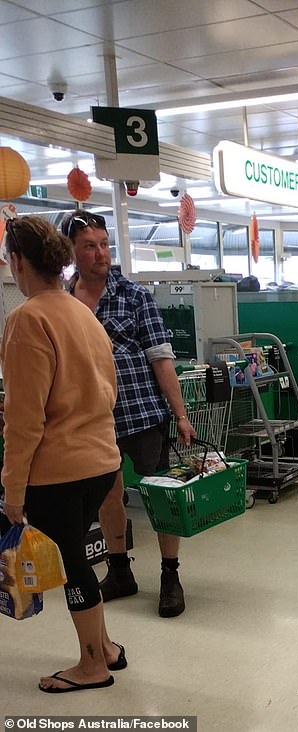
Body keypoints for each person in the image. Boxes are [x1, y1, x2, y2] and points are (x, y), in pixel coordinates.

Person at [1, 216, 125, 692]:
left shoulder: (27, 319)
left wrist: (13, 490)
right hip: (101, 461)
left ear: (16, 261)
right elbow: (108, 389)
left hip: (58, 469)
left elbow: (24, 418)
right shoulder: (81, 314)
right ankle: (106, 645)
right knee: (79, 554)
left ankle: (92, 665)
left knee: (73, 561)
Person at [60, 210, 196, 618]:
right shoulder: (65, 301)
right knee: (108, 495)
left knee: (161, 494)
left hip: (141, 414)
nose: (100, 253)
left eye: (104, 244)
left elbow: (161, 358)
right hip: (92, 418)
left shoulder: (135, 296)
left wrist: (182, 415)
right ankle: (120, 570)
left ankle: (170, 574)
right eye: (90, 246)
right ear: (73, 252)